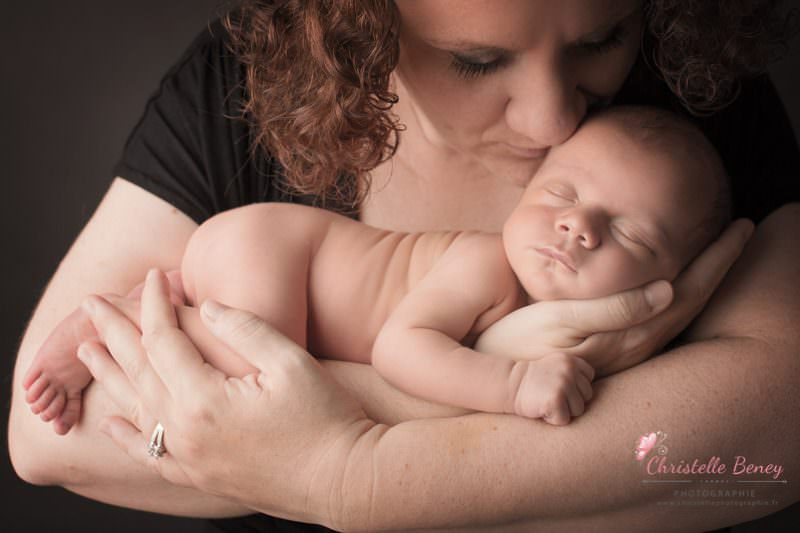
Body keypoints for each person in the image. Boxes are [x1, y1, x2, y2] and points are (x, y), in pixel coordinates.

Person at [9, 1, 800, 532]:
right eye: (478, 60)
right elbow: (48, 440)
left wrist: (328, 468)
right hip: (264, 260)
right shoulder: (245, 85)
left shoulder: (692, 116)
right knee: (205, 345)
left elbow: (773, 441)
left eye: (602, 40)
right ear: (363, 28)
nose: (556, 117)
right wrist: (367, 456)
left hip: (240, 268)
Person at [24, 105, 731, 430]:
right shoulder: (489, 265)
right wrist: (513, 383)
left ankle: (158, 301)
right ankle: (106, 321)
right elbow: (400, 346)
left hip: (257, 256)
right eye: (560, 196)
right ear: (526, 192)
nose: (580, 225)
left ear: (671, 275)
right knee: (249, 379)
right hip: (278, 255)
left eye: (631, 234)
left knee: (241, 359)